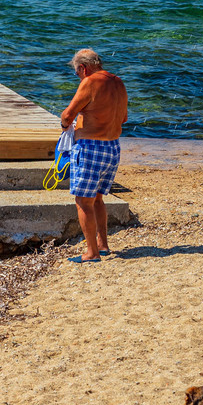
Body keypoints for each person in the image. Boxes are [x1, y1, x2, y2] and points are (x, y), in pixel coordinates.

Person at [60, 49, 128, 262]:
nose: (78, 77)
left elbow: (67, 115)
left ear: (83, 68)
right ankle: (103, 245)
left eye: (77, 73)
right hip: (112, 147)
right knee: (97, 198)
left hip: (90, 147)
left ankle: (91, 253)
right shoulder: (118, 82)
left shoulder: (89, 82)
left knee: (83, 200)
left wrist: (66, 125)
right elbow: (123, 118)